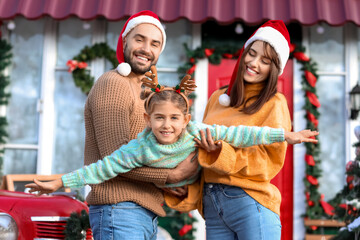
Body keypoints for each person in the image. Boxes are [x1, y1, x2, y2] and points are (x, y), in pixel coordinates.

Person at [25, 68, 318, 198]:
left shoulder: (194, 130)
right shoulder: (140, 148)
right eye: (160, 118)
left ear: (186, 119)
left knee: (220, 147)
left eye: (175, 118)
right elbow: (103, 168)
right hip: (169, 189)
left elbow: (241, 133)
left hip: (202, 182)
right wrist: (61, 182)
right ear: (147, 119)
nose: (167, 125)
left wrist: (285, 136)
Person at [62, 10, 198, 240]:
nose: (146, 48)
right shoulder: (114, 83)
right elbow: (116, 156)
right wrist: (171, 176)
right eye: (139, 39)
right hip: (119, 209)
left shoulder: (148, 93)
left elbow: (154, 151)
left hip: (143, 212)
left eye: (155, 43)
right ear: (125, 40)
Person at [175, 20, 302, 240]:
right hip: (213, 206)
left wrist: (220, 153)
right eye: (251, 53)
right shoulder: (218, 98)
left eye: (264, 60)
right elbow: (200, 152)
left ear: (274, 68)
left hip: (250, 202)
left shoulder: (274, 103)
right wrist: (185, 184)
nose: (253, 62)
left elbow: (268, 164)